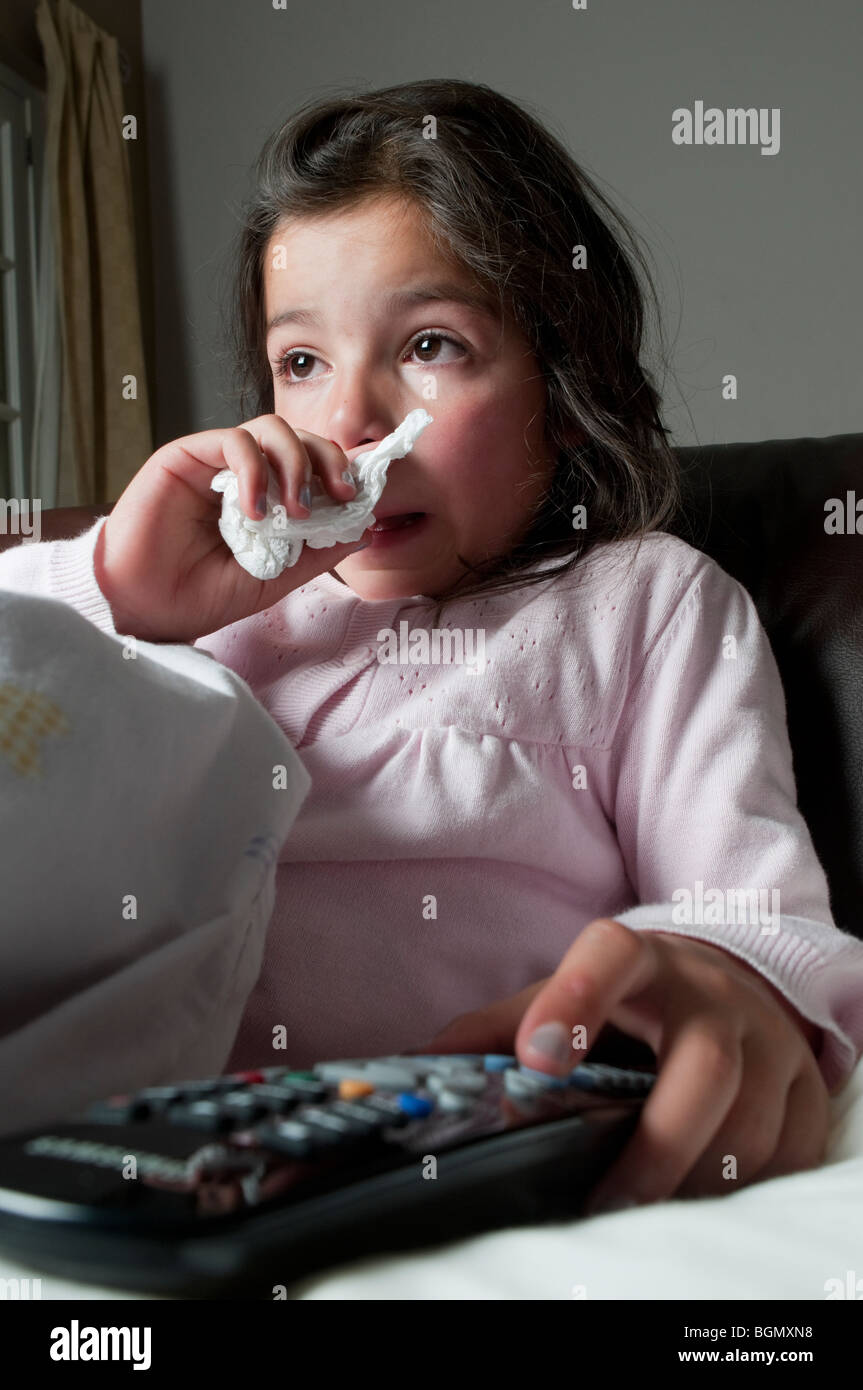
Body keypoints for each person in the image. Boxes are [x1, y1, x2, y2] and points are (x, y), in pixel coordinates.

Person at [3, 78, 862, 1215]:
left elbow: (748, 912)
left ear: (560, 389)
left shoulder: (642, 605)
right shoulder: (201, 605)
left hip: (453, 1164)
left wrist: (725, 979)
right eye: (300, 363)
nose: (346, 419)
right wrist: (113, 589)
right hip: (124, 1162)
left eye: (428, 345)